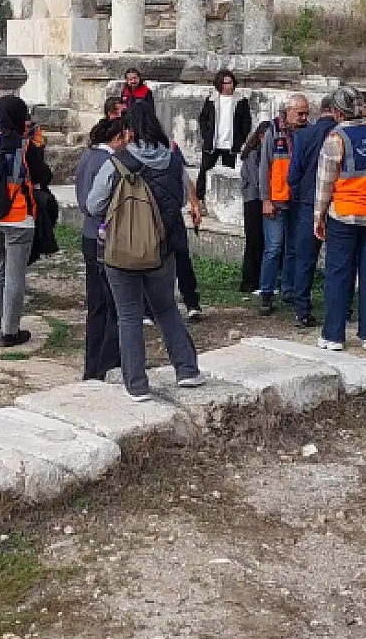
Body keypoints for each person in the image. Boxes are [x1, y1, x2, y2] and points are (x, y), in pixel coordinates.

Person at [85, 101, 205, 400]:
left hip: (122, 249)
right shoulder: (173, 162)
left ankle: (137, 384)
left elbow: (93, 205)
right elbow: (177, 201)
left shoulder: (117, 163)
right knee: (166, 309)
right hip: (161, 248)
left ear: (129, 131)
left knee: (128, 314)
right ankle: (187, 370)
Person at [312, 85, 366, 351]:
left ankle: (333, 335)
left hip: (346, 215)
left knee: (338, 274)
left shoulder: (336, 139)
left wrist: (318, 217)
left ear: (337, 112)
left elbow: (324, 184)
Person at [0, 95, 51, 347]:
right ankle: (9, 331)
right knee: (14, 275)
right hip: (18, 215)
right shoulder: (25, 146)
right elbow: (43, 174)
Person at [76, 116, 128, 381]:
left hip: (88, 233)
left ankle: (91, 365)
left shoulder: (87, 157)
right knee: (113, 304)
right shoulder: (109, 162)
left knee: (96, 305)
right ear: (117, 138)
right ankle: (107, 364)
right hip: (104, 235)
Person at [286, 94, 340, 328]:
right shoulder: (342, 135)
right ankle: (339, 309)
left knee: (305, 259)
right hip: (338, 203)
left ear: (320, 111)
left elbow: (292, 175)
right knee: (338, 260)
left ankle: (302, 310)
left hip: (309, 203)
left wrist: (301, 195)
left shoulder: (304, 135)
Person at [258, 93, 309, 314]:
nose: (304, 117)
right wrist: (266, 199)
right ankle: (266, 293)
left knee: (294, 248)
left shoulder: (308, 132)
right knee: (274, 247)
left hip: (297, 199)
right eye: (300, 113)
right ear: (288, 111)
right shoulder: (272, 131)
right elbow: (264, 167)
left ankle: (288, 290)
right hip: (276, 199)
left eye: (306, 113)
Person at [196, 69, 252, 206]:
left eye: (230, 82)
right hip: (213, 143)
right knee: (204, 170)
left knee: (228, 173)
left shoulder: (241, 101)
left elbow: (246, 122)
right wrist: (206, 134)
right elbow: (203, 118)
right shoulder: (211, 100)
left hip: (231, 145)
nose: (228, 85)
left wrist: (240, 139)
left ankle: (226, 202)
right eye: (225, 83)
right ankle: (199, 199)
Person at [237, 119, 271, 295]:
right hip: (253, 200)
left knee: (260, 240)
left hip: (258, 198)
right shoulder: (253, 154)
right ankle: (249, 281)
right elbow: (257, 179)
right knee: (254, 240)